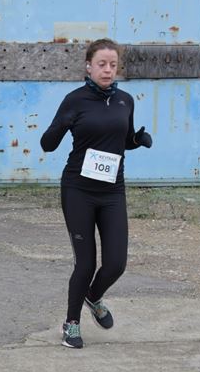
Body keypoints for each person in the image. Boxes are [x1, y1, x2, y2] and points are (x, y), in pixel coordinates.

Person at [40, 38, 153, 348]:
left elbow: (124, 138)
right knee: (86, 263)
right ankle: (71, 324)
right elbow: (47, 144)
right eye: (101, 64)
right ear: (88, 67)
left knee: (116, 263)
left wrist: (138, 140)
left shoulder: (125, 100)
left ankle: (93, 296)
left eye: (113, 65)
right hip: (78, 189)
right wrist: (61, 124)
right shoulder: (74, 100)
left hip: (113, 191)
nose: (107, 70)